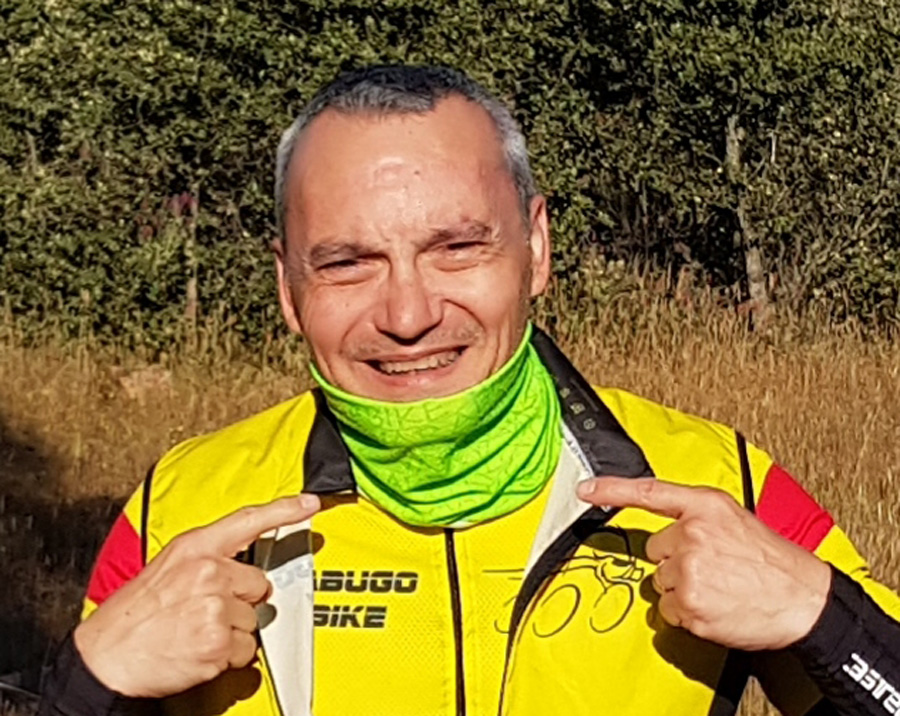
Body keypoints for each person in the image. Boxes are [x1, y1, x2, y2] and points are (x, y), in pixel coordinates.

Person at [41, 65, 900, 716]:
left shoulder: (712, 483)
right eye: (348, 262)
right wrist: (92, 681)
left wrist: (820, 618)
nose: (409, 314)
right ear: (286, 287)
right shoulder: (182, 508)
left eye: (457, 248)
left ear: (536, 247)